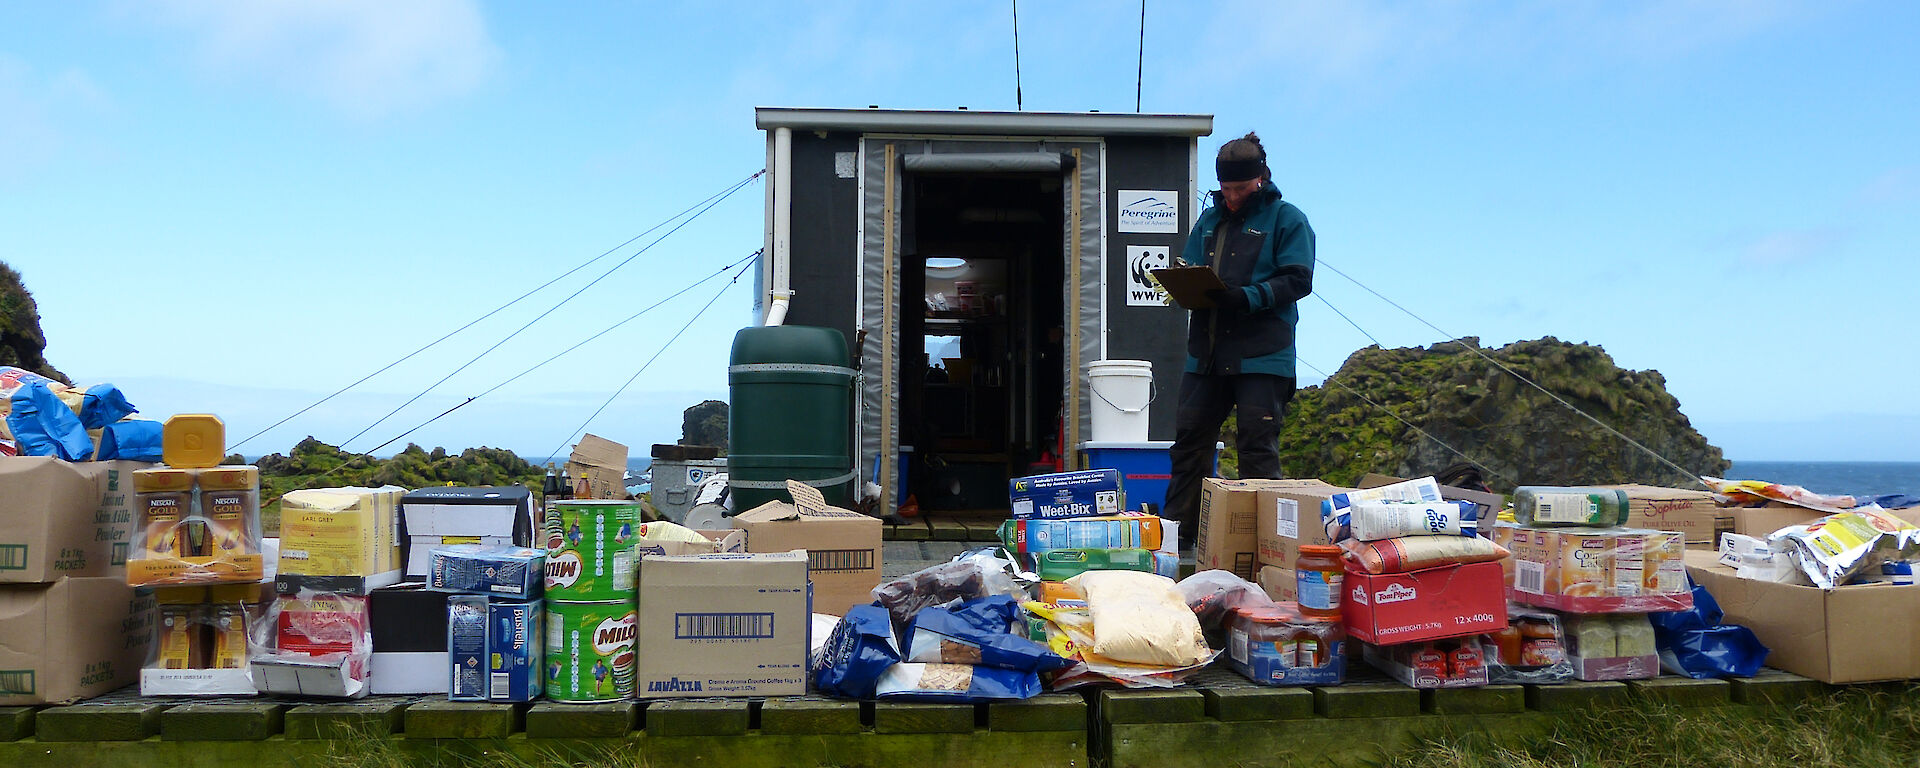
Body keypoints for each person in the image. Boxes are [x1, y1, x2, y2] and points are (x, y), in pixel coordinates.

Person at [1165, 132, 1315, 549]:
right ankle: (1176, 547)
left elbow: (1298, 279)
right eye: (1225, 189)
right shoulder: (1208, 220)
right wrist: (1180, 281)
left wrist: (1245, 297)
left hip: (1263, 357)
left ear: (1261, 179)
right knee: (1188, 446)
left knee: (1256, 451)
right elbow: (1190, 264)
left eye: (1240, 189)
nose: (1231, 197)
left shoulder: (1289, 219)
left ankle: (1268, 550)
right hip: (1206, 357)